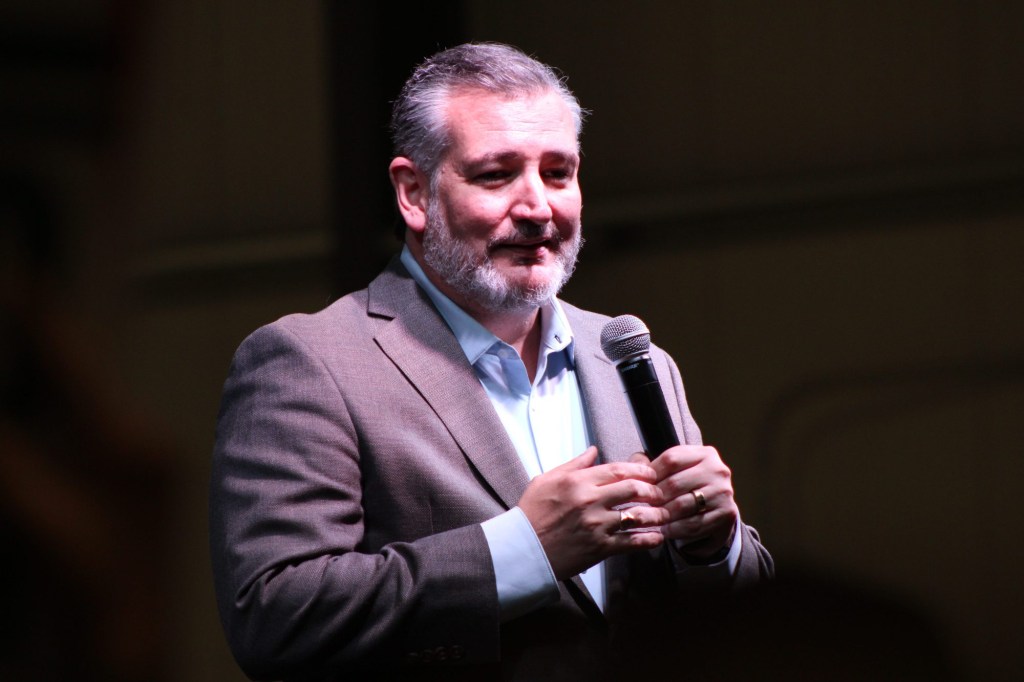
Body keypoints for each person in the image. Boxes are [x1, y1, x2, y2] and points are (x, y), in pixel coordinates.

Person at [209, 42, 773, 682]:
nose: (537, 208)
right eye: (496, 175)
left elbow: (741, 620)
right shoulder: (312, 362)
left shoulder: (629, 358)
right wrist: (524, 550)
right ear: (414, 192)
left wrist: (714, 546)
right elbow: (276, 619)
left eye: (558, 173)